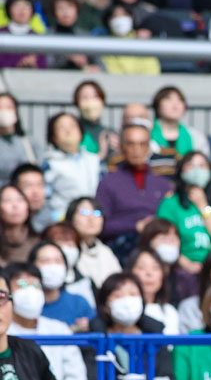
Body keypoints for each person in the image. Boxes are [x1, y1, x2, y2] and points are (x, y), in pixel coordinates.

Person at [95, 123, 173, 262]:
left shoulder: (164, 184)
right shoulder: (108, 183)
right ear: (121, 147)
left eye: (142, 144)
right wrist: (135, 225)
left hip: (159, 249)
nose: (137, 149)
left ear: (149, 147)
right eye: (131, 144)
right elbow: (101, 225)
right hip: (122, 249)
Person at [40, 113, 101, 231]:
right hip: (63, 222)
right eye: (61, 127)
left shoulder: (95, 160)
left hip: (93, 220)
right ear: (53, 136)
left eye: (72, 126)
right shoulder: (49, 163)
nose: (68, 131)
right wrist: (57, 218)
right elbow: (45, 198)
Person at [30, 240, 94, 330]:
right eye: (45, 261)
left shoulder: (78, 303)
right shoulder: (25, 303)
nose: (52, 266)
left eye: (58, 261)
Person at [66, 197, 119, 287]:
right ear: (71, 218)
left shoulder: (105, 252)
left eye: (97, 213)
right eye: (84, 212)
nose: (91, 218)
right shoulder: (67, 250)